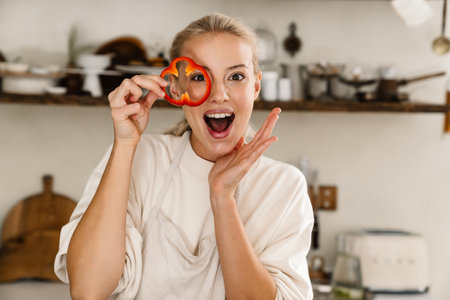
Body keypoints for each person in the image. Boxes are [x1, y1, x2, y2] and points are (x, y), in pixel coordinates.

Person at [54, 13, 314, 300]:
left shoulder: (284, 187)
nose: (219, 94)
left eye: (236, 76)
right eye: (200, 77)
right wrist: (125, 144)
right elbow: (88, 291)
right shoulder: (141, 158)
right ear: (176, 88)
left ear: (255, 87)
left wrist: (222, 196)